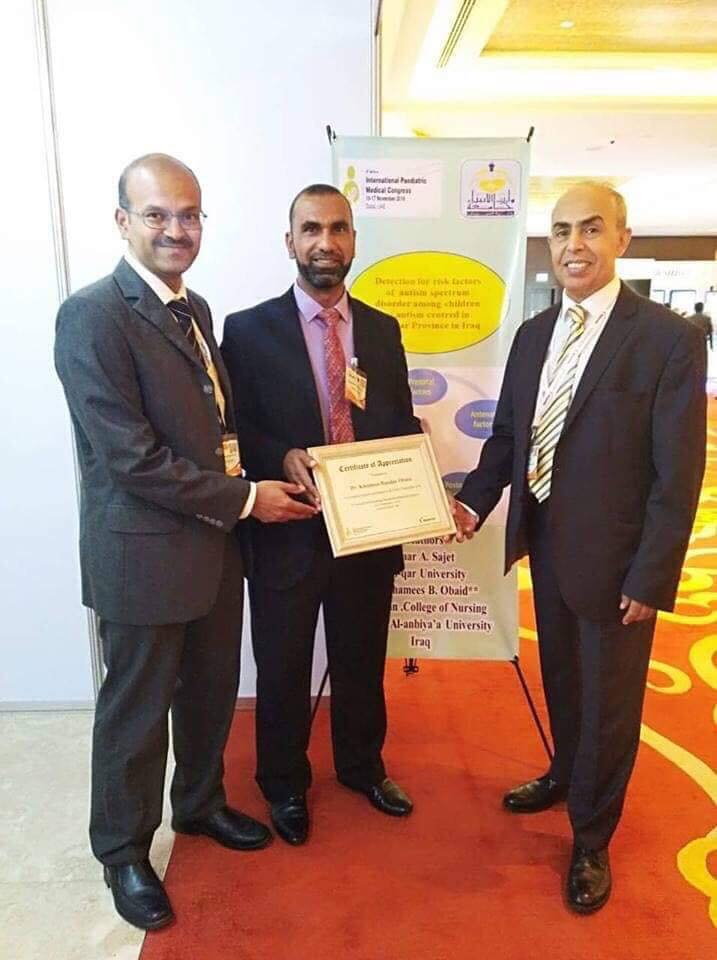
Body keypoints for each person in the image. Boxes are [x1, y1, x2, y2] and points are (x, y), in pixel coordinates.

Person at [54, 154, 316, 930]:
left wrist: (259, 472)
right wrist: (246, 499)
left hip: (212, 550)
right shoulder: (93, 315)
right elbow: (130, 459)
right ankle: (123, 853)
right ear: (123, 221)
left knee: (208, 695)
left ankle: (198, 804)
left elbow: (215, 431)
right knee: (135, 716)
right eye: (158, 214)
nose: (178, 229)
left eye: (191, 214)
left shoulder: (193, 307)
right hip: (141, 557)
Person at [451, 182, 706, 914]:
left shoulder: (666, 339)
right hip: (548, 547)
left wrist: (652, 575)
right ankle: (566, 774)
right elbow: (510, 435)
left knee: (609, 705)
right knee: (564, 681)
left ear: (622, 238)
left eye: (590, 229)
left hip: (620, 562)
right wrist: (473, 501)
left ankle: (591, 837)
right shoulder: (534, 335)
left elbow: (678, 474)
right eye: (561, 230)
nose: (573, 245)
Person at [221, 184, 421, 846]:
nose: (325, 242)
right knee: (282, 667)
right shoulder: (246, 330)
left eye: (338, 228)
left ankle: (362, 767)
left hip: (369, 532)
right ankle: (283, 783)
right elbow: (233, 431)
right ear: (290, 242)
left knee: (361, 658)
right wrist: (279, 454)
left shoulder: (383, 331)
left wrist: (417, 476)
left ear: (354, 240)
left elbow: (397, 422)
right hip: (288, 530)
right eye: (311, 229)